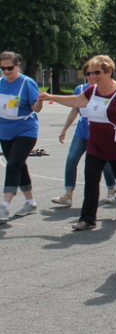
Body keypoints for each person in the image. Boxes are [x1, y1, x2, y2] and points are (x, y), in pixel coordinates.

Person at [40, 55, 116, 229]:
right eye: (90, 73)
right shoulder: (92, 90)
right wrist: (49, 96)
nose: (93, 76)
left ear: (108, 72)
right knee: (91, 178)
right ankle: (88, 219)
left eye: (97, 72)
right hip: (95, 143)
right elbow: (76, 101)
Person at [52, 62, 116, 208]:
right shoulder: (80, 89)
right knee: (71, 160)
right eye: (88, 74)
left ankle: (111, 190)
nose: (91, 76)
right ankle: (68, 194)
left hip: (100, 134)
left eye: (94, 73)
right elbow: (75, 109)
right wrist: (64, 129)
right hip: (82, 132)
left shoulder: (107, 90)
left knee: (106, 164)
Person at [0, 51, 43, 221]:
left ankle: (5, 205)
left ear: (17, 65)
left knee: (13, 165)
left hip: (26, 130)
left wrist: (40, 100)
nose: (6, 71)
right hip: (5, 131)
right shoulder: (1, 83)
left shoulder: (27, 83)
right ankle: (31, 203)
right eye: (2, 68)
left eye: (9, 68)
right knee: (19, 165)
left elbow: (36, 109)